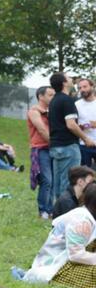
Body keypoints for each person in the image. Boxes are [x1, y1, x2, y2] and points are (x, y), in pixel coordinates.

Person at [22, 183, 96, 288]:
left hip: (66, 265)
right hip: (55, 271)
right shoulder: (82, 220)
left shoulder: (89, 218)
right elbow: (75, 255)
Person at [49, 72, 96, 206]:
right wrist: (85, 138)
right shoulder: (67, 100)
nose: (71, 79)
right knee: (69, 182)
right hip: (68, 147)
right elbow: (71, 124)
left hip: (56, 146)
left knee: (58, 182)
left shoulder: (54, 100)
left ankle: (57, 211)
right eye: (69, 78)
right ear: (64, 83)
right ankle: (66, 212)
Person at [29, 85, 55, 219]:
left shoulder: (51, 111)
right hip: (41, 149)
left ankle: (50, 210)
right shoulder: (34, 111)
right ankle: (43, 210)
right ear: (41, 96)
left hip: (52, 149)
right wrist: (55, 143)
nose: (53, 97)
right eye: (50, 95)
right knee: (47, 181)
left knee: (53, 182)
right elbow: (41, 129)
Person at [75, 77, 96, 167]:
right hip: (83, 144)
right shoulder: (76, 104)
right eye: (80, 88)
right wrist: (80, 127)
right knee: (84, 174)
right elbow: (72, 124)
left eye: (85, 87)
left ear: (92, 86)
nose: (82, 90)